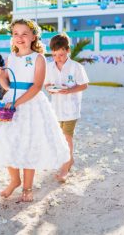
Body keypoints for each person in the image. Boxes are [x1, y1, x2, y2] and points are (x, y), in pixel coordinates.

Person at [0, 19, 70, 202]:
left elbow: (37, 86)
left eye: (24, 34)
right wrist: (0, 78)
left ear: (33, 37)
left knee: (29, 144)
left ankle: (27, 187)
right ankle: (14, 180)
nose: (20, 37)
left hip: (30, 104)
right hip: (10, 102)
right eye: (16, 34)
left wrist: (16, 103)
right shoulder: (11, 58)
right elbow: (7, 86)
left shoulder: (39, 58)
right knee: (8, 140)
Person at [45, 33, 89, 183]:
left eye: (62, 54)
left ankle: (65, 168)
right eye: (55, 55)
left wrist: (69, 90)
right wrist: (50, 89)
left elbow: (84, 85)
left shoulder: (76, 67)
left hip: (71, 109)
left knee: (67, 137)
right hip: (55, 109)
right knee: (59, 137)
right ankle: (69, 160)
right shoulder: (49, 67)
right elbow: (46, 84)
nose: (58, 58)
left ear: (68, 51)